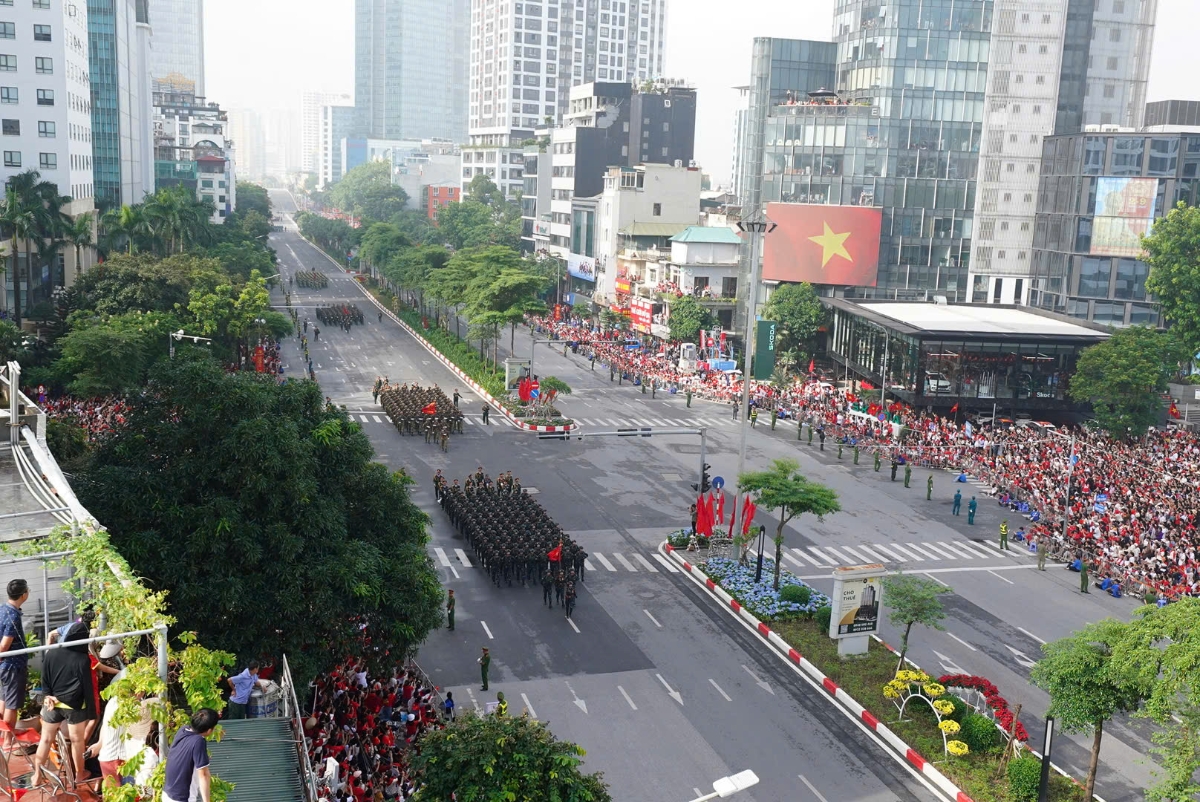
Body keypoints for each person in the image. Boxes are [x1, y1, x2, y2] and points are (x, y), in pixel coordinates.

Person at [34, 621, 96, 786]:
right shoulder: (82, 659)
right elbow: (87, 688)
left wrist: (47, 695)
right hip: (74, 706)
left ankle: (36, 775)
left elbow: (44, 678)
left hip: (52, 703)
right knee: (77, 741)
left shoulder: (52, 653)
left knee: (46, 739)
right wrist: (92, 714)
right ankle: (80, 774)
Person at [162, 708, 218, 802]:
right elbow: (204, 775)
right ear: (209, 730)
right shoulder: (198, 741)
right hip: (182, 798)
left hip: (167, 794)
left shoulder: (183, 730)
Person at [0, 578, 29, 749]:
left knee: (3, 699)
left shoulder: (3, 609)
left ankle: (4, 735)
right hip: (12, 666)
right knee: (12, 704)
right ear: (24, 595)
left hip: (4, 666)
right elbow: (4, 645)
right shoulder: (12, 616)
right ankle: (8, 742)